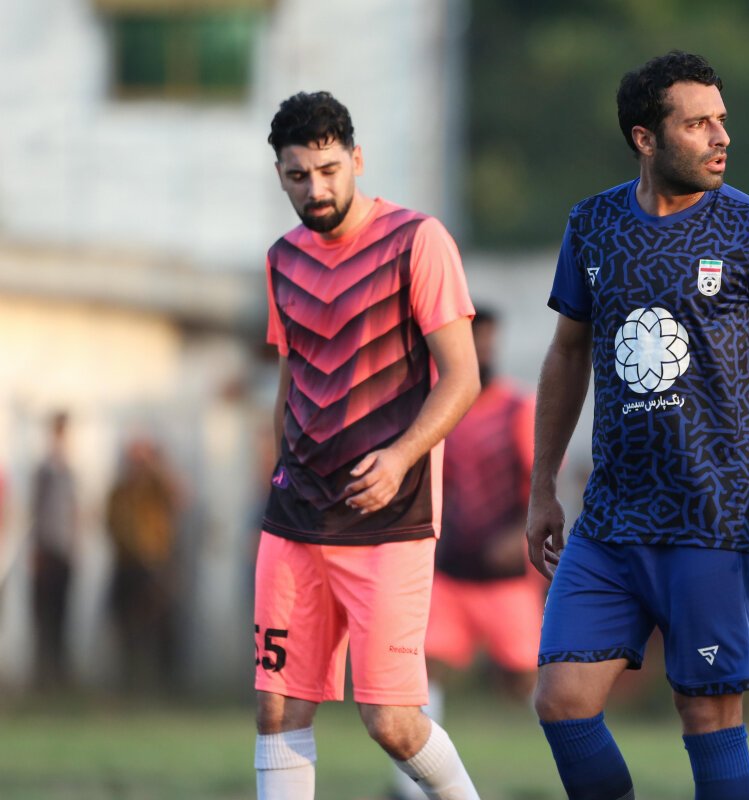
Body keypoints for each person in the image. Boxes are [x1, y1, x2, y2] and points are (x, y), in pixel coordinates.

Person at [525, 52, 749, 800]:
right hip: (610, 521)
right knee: (561, 702)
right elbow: (567, 354)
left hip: (713, 522)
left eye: (721, 120)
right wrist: (542, 487)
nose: (720, 137)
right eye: (697, 124)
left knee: (707, 713)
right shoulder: (592, 225)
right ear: (645, 138)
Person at [254, 91, 482, 800]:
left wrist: (401, 457)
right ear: (280, 175)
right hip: (295, 519)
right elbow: (290, 380)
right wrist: (277, 475)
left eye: (328, 170)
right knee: (277, 709)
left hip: (389, 519)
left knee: (391, 721)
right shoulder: (282, 260)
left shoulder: (417, 241)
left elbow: (463, 377)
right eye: (298, 176)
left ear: (356, 159)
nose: (315, 190)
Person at [390, 307, 542, 800]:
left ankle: (571, 767)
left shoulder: (518, 408)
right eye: (473, 341)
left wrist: (519, 536)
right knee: (421, 671)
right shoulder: (437, 408)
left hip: (504, 578)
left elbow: (543, 482)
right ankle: (409, 789)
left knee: (526, 680)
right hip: (449, 572)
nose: (483, 350)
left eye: (488, 341)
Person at [105, 436, 181, 693]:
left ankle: (161, 685)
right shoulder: (120, 490)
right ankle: (130, 683)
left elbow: (178, 497)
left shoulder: (157, 488)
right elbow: (111, 523)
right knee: (125, 627)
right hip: (127, 566)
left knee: (159, 627)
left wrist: (154, 466)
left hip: (154, 566)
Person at [30, 411, 79, 690]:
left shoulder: (69, 473)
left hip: (63, 553)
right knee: (43, 618)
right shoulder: (44, 472)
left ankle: (59, 679)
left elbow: (74, 512)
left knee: (62, 617)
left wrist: (74, 546)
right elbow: (36, 512)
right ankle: (43, 678)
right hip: (46, 552)